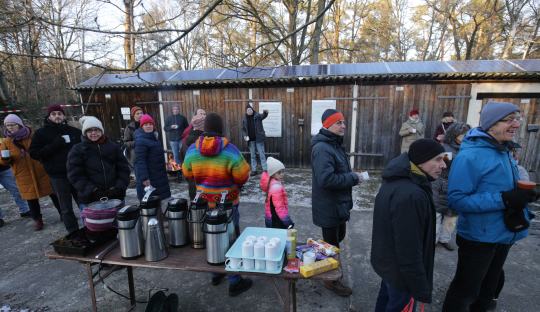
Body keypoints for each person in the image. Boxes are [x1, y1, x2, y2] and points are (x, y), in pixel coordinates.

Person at [442, 101, 538, 312]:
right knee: (466, 291)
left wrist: (524, 195)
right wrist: (504, 199)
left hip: (504, 232)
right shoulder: (470, 156)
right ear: (491, 124)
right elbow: (457, 200)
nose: (516, 124)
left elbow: (504, 187)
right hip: (479, 237)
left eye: (517, 118)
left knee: (488, 289)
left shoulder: (503, 149)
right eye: (509, 119)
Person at [371, 139, 446, 311]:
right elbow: (409, 248)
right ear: (420, 160)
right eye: (437, 159)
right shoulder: (412, 195)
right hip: (402, 275)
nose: (443, 165)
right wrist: (420, 287)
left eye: (443, 160)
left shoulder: (398, 180)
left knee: (386, 301)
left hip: (389, 266)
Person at [182, 113, 252, 297]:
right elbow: (243, 175)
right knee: (231, 240)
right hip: (228, 203)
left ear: (205, 128)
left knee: (212, 238)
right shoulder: (230, 150)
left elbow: (186, 172)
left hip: (205, 202)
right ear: (221, 129)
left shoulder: (192, 149)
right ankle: (234, 281)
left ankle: (215, 274)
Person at [311, 108, 364, 297]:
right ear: (327, 125)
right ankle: (331, 280)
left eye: (343, 122)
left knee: (336, 238)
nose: (343, 125)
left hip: (338, 204)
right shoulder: (322, 148)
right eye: (338, 122)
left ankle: (322, 261)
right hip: (328, 206)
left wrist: (351, 176)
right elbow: (326, 180)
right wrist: (352, 178)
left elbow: (338, 173)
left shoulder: (334, 145)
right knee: (332, 244)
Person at [1, 114, 61, 231]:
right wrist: (5, 159)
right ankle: (38, 220)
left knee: (53, 192)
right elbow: (3, 161)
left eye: (12, 125)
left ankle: (63, 213)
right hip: (23, 173)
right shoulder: (6, 142)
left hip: (41, 169)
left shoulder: (33, 135)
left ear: (19, 124)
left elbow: (43, 149)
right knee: (31, 198)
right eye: (7, 125)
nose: (10, 127)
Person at [29, 104, 82, 233]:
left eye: (59, 113)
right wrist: (54, 145)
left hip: (77, 174)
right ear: (49, 116)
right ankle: (74, 233)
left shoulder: (74, 131)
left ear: (64, 116)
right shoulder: (41, 133)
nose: (57, 116)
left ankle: (91, 227)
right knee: (66, 208)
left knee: (85, 203)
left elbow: (84, 150)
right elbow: (34, 153)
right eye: (54, 114)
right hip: (58, 176)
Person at [67, 116, 130, 208]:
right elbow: (75, 175)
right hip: (90, 199)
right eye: (89, 130)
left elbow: (123, 169)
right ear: (85, 133)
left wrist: (119, 187)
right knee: (96, 223)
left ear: (101, 131)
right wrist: (93, 190)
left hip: (115, 197)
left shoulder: (113, 147)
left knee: (117, 222)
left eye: (96, 130)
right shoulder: (77, 150)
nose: (93, 133)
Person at [432, 122, 471, 251]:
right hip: (441, 185)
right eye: (462, 135)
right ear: (454, 135)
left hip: (458, 186)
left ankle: (445, 239)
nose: (465, 137)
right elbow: (437, 163)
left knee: (451, 217)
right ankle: (433, 240)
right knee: (436, 215)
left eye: (467, 134)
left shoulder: (469, 148)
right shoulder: (444, 147)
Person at [134, 114, 171, 201]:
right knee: (153, 202)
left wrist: (165, 164)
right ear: (142, 126)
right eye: (146, 125)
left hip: (159, 174)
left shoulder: (154, 138)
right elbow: (140, 161)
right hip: (150, 177)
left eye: (150, 124)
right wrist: (144, 178)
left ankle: (160, 214)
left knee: (160, 200)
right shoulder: (141, 141)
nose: (148, 126)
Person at [259, 157, 294, 229]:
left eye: (282, 171)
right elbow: (280, 208)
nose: (282, 174)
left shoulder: (271, 183)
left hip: (271, 219)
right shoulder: (276, 187)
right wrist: (288, 222)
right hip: (277, 221)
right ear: (272, 174)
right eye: (279, 172)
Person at [180, 109, 206, 201]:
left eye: (204, 114)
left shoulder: (209, 136)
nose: (203, 116)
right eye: (201, 114)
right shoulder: (188, 133)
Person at [242, 104, 268, 175]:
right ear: (246, 111)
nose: (249, 111)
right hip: (250, 140)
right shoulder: (244, 118)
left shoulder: (257, 116)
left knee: (261, 154)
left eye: (250, 110)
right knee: (252, 155)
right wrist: (245, 136)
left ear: (252, 110)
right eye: (248, 110)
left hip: (259, 139)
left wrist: (265, 112)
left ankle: (265, 169)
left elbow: (264, 116)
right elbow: (243, 129)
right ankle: (254, 170)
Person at [164, 105, 188, 181]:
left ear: (179, 110)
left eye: (177, 109)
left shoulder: (183, 118)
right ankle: (178, 174)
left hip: (181, 139)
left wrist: (184, 136)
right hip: (173, 140)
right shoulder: (168, 118)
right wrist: (171, 127)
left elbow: (187, 128)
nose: (176, 110)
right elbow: (165, 128)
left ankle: (186, 172)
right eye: (174, 109)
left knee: (184, 155)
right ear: (172, 110)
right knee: (176, 156)